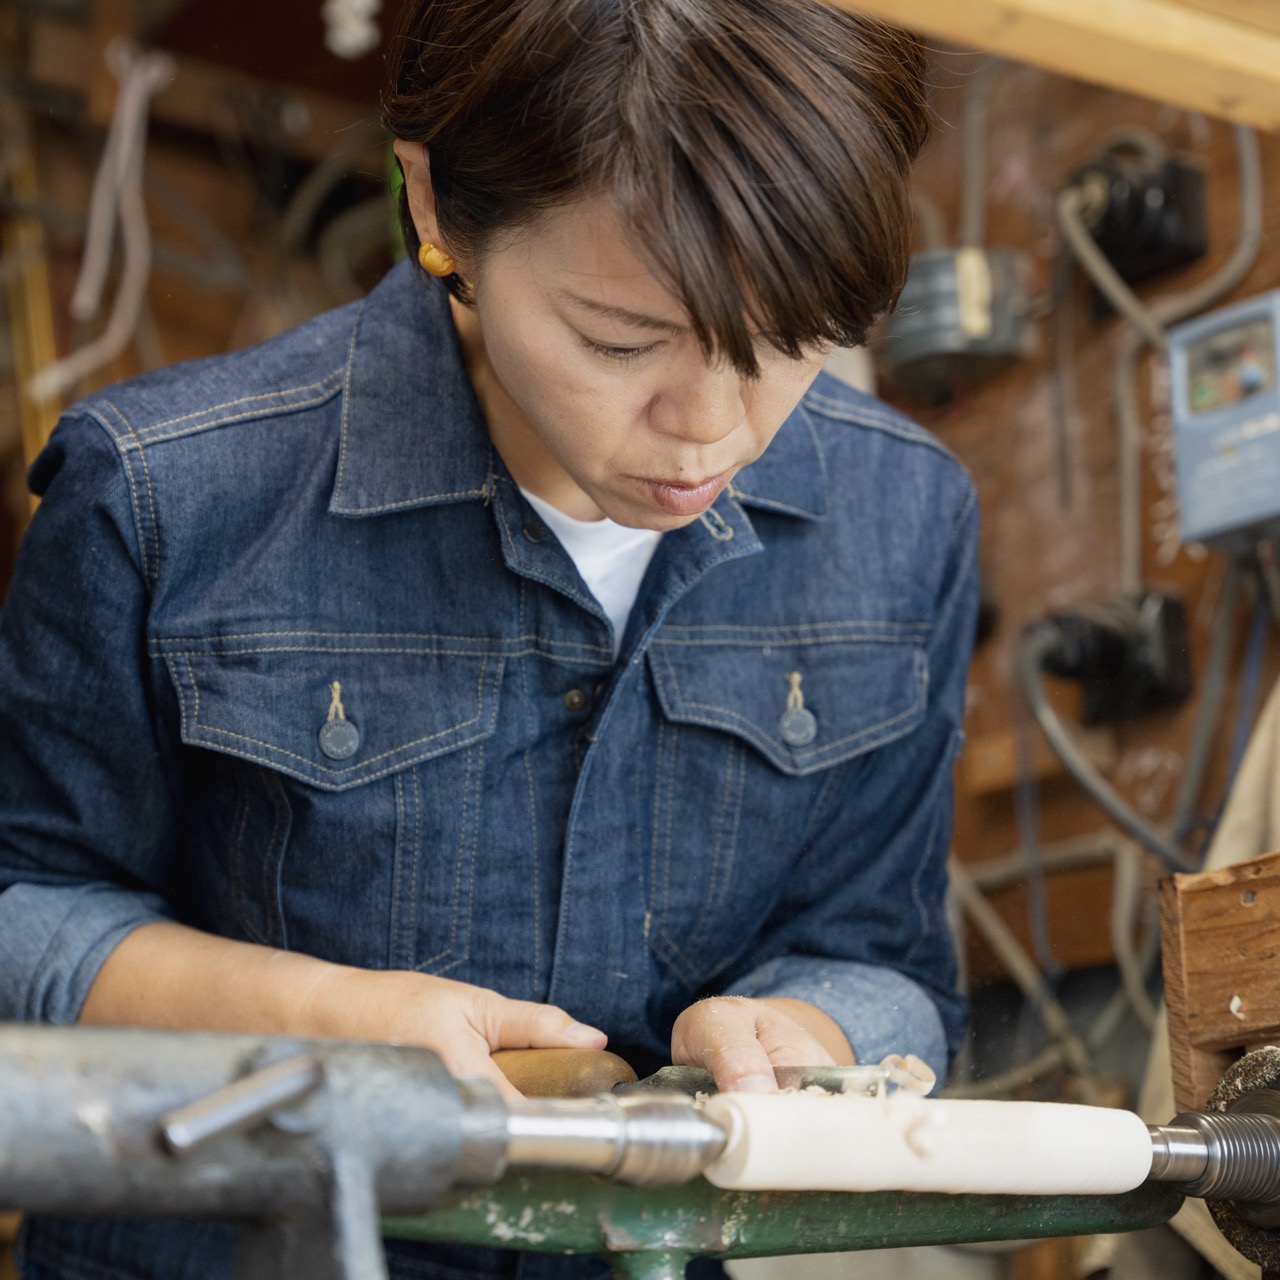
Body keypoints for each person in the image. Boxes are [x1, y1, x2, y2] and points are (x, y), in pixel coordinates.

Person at [0, 1, 978, 1277]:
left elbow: (888, 959)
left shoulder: (906, 516)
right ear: (434, 208)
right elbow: (27, 910)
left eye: (789, 342)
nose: (710, 430)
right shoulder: (164, 495)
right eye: (619, 340)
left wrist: (806, 1028)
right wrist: (330, 1020)